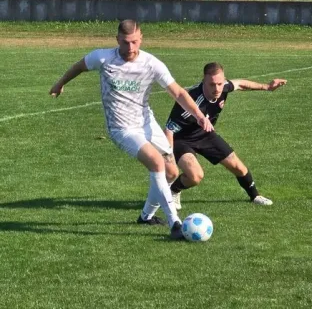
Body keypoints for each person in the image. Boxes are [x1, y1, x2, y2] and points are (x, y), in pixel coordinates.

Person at [49, 19, 213, 240]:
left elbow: (179, 93)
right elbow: (79, 66)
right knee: (156, 162)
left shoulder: (152, 63)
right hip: (121, 128)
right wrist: (60, 83)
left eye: (135, 42)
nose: (130, 48)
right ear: (117, 40)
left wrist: (200, 115)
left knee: (171, 172)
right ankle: (175, 223)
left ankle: (146, 216)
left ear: (141, 38)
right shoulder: (103, 58)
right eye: (126, 43)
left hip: (146, 123)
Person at [164, 62, 287, 210]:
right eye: (212, 84)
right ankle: (173, 190)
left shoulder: (223, 87)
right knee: (195, 176)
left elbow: (240, 84)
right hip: (181, 139)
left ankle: (255, 196)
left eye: (220, 84)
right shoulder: (190, 101)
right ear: (204, 80)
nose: (217, 89)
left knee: (238, 167)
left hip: (205, 134)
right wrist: (169, 158)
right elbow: (169, 129)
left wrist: (266, 87)